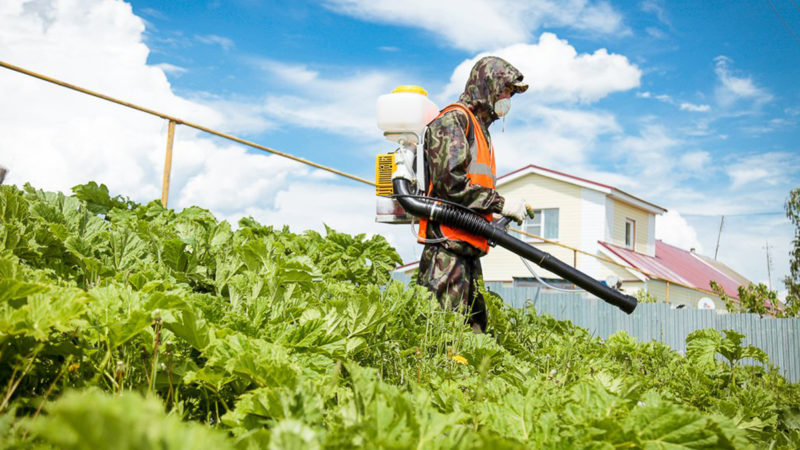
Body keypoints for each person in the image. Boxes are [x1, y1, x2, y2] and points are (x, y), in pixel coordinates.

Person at [416, 56, 530, 333]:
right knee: (440, 336)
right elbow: (450, 184)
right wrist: (502, 204)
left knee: (475, 336)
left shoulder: (481, 132)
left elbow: (475, 187)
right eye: (505, 91)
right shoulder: (454, 121)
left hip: (468, 249)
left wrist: (500, 213)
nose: (507, 99)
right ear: (487, 85)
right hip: (446, 250)